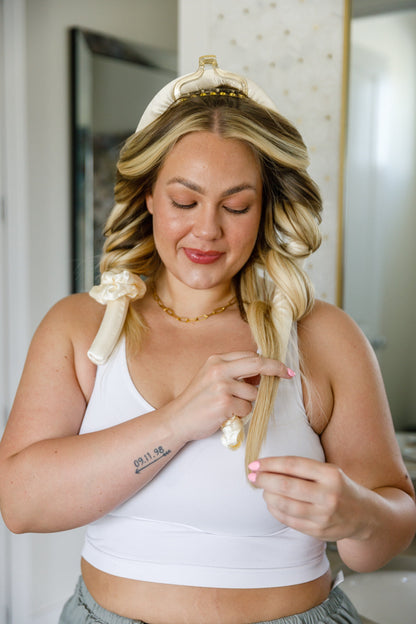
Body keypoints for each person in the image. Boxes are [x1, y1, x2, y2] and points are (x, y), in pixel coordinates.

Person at [0, 55, 415, 624]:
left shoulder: (323, 336)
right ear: (148, 196)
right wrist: (176, 423)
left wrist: (358, 515)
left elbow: (390, 526)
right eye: (184, 201)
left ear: (265, 206)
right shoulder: (80, 328)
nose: (207, 230)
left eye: (236, 206)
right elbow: (20, 505)